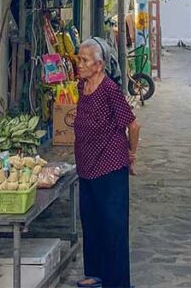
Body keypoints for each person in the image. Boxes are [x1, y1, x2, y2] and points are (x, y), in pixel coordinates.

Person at [74, 38, 141, 288]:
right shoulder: (82, 86)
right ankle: (95, 272)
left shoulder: (109, 89)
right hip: (86, 164)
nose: (80, 65)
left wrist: (131, 154)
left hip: (110, 164)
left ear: (99, 65)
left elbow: (133, 125)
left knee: (113, 223)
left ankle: (117, 282)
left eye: (85, 61)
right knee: (91, 220)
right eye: (79, 59)